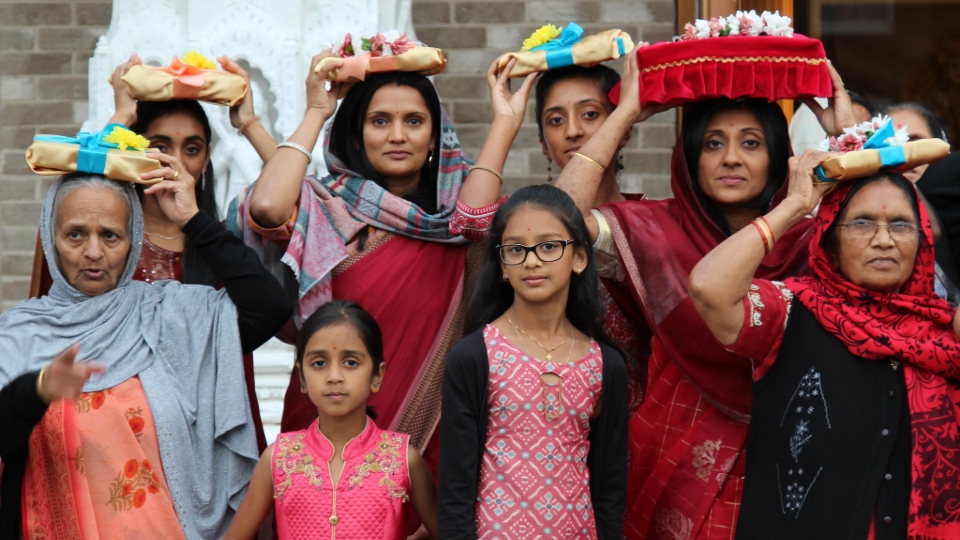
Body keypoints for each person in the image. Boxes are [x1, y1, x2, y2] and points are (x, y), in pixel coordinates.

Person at [550, 51, 857, 538]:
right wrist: (624, 115)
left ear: (779, 157)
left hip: (793, 452)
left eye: (751, 143)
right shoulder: (654, 232)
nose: (731, 158)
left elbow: (895, 229)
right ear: (691, 157)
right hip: (673, 456)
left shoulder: (815, 241)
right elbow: (556, 224)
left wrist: (842, 132)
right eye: (714, 143)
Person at [0, 172, 292, 538]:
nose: (93, 252)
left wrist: (194, 221)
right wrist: (36, 390)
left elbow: (270, 307)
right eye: (75, 234)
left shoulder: (168, 315)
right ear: (51, 238)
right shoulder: (16, 334)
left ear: (133, 240)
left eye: (110, 235)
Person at [229, 50, 474, 475]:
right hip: (322, 434)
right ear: (356, 134)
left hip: (434, 437)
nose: (398, 135)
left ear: (436, 136)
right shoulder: (326, 209)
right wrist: (317, 112)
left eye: (414, 121)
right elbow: (268, 206)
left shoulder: (462, 222)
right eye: (380, 121)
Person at [688, 162, 960, 539]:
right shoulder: (791, 311)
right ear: (830, 242)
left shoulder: (945, 333)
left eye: (900, 225)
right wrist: (796, 204)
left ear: (922, 241)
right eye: (862, 223)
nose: (884, 239)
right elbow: (708, 288)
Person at [29, 53, 278, 451]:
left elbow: (273, 298)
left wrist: (248, 124)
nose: (174, 162)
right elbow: (78, 203)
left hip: (203, 432)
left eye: (191, 149)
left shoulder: (221, 242)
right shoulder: (99, 245)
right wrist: (121, 117)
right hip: (109, 433)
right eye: (158, 146)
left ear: (207, 158)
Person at [453, 52, 654, 414]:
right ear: (544, 145)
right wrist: (505, 120)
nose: (573, 130)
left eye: (590, 114)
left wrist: (627, 109)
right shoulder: (529, 221)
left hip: (632, 422)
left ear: (624, 128)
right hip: (538, 421)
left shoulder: (652, 217)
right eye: (555, 120)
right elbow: (471, 220)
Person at [438, 184, 629, 539]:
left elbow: (610, 487)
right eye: (515, 249)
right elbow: (454, 488)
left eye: (549, 246)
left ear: (580, 258)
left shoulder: (605, 365)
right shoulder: (474, 357)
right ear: (502, 267)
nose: (532, 260)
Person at [224, 300, 438, 540]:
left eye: (350, 363)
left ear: (377, 375)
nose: (334, 376)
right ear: (302, 379)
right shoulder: (278, 458)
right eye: (319, 364)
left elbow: (450, 533)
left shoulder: (403, 460)